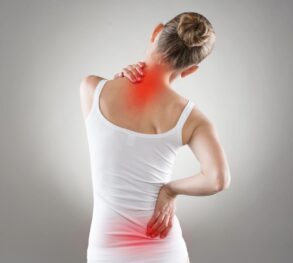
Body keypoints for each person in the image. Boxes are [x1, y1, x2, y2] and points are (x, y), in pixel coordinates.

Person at [80, 11, 231, 263]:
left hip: (108, 251)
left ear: (155, 33)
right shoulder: (192, 118)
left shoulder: (91, 89)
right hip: (164, 249)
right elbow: (218, 179)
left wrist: (117, 80)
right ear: (191, 70)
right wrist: (170, 190)